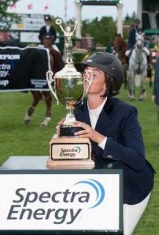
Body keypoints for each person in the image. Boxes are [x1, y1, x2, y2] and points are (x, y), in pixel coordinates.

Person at [56, 52, 155, 235]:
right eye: (85, 72)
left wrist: (98, 137)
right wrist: (64, 138)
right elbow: (77, 157)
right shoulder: (76, 111)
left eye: (94, 74)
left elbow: (137, 160)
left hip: (130, 186)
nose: (87, 76)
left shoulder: (126, 113)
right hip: (96, 186)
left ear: (108, 82)